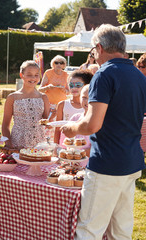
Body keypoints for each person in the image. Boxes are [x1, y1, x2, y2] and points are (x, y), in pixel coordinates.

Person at [61, 24, 146, 240]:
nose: (94, 56)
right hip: (131, 160)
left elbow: (92, 124)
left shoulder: (104, 74)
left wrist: (70, 129)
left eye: (93, 52)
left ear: (99, 47)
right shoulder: (138, 75)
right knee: (121, 230)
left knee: (89, 230)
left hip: (107, 162)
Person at [2, 60, 50, 149]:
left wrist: (52, 116)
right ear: (21, 75)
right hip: (18, 143)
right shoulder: (12, 97)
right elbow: (5, 125)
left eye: (36, 75)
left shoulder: (43, 97)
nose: (33, 78)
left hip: (39, 143)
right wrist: (9, 144)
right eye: (29, 75)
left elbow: (45, 122)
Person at [54, 70, 92, 145]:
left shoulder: (89, 106)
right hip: (65, 146)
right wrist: (56, 146)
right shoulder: (62, 104)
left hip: (85, 146)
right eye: (71, 85)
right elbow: (57, 129)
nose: (74, 88)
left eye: (78, 85)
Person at [68, 84, 91, 157]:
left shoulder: (99, 120)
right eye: (84, 97)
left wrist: (78, 155)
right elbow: (68, 141)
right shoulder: (75, 118)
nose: (87, 101)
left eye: (91, 97)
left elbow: (98, 147)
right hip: (74, 163)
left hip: (90, 163)